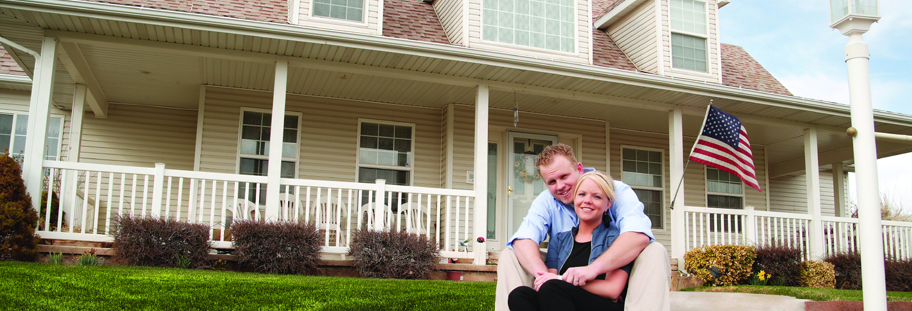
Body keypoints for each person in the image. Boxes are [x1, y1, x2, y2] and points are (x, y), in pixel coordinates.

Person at [495, 144, 670, 311]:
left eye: (564, 176)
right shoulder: (548, 202)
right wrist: (546, 278)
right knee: (510, 257)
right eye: (552, 181)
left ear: (579, 168)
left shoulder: (614, 191)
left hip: (608, 280)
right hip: (562, 288)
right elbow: (524, 238)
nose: (560, 186)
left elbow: (638, 235)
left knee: (655, 250)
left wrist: (589, 272)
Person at [508, 171, 630, 311]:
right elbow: (548, 282)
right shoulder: (559, 240)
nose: (587, 200)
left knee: (553, 287)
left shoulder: (616, 240)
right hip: (562, 302)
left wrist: (562, 281)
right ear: (575, 199)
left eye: (597, 196)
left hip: (602, 304)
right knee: (520, 295)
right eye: (582, 194)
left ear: (608, 204)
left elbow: (613, 290)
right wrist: (557, 282)